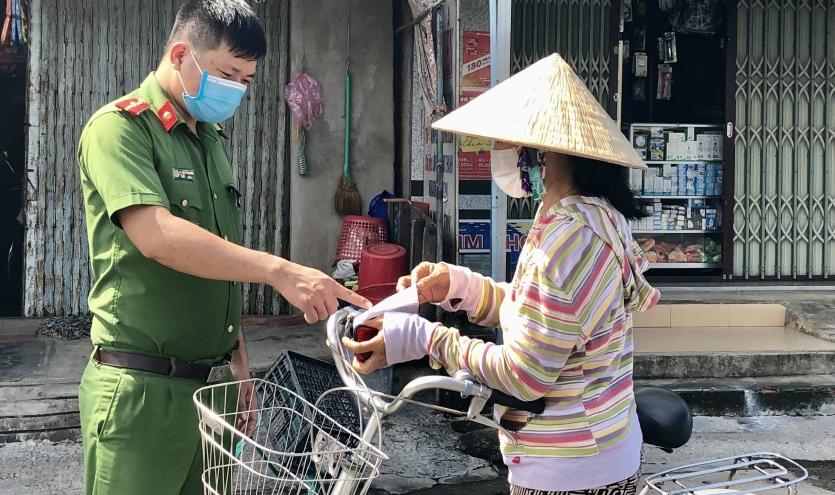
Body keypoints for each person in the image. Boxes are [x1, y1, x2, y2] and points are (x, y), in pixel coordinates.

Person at [77, 1, 370, 494]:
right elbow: (157, 235)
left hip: (211, 390)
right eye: (226, 73)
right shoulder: (119, 129)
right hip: (142, 393)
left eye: (247, 80)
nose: (235, 90)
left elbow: (218, 257)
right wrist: (280, 271)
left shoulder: (209, 139)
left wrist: (238, 364)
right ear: (179, 55)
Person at [344, 53, 660, 495]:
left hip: (571, 471)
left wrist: (422, 338)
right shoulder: (588, 216)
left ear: (543, 151)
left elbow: (524, 374)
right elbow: (541, 312)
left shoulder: (570, 239)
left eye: (506, 142)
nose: (497, 153)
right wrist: (458, 286)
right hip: (588, 451)